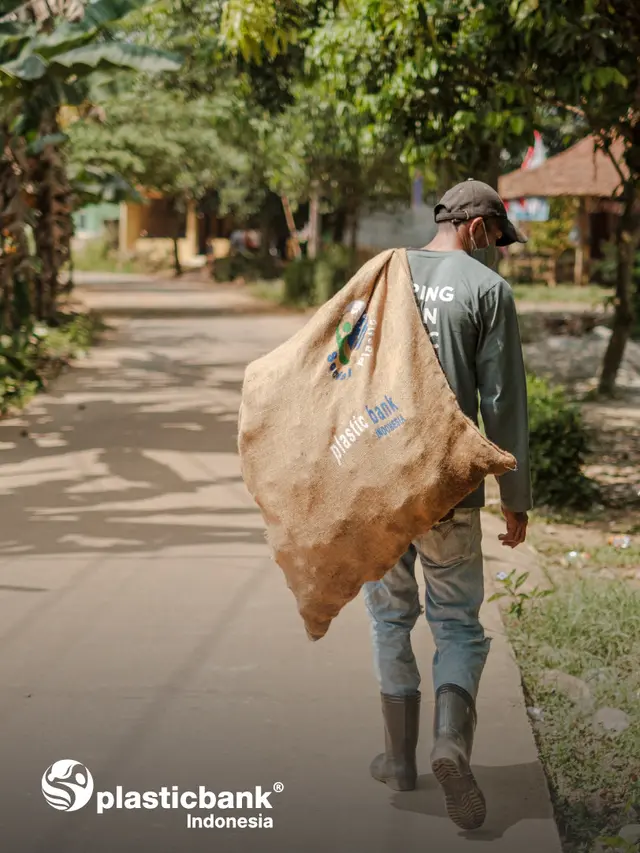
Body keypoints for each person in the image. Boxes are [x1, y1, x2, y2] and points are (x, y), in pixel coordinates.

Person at [364, 179, 532, 831]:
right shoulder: (488, 290)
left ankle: (398, 760)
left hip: (381, 484)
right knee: (458, 623)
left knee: (390, 618)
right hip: (449, 487)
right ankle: (450, 745)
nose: (496, 250)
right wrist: (515, 497)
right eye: (496, 237)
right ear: (475, 226)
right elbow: (502, 402)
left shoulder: (385, 275)